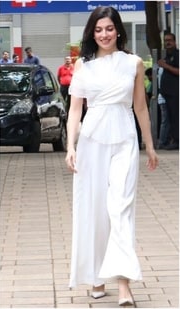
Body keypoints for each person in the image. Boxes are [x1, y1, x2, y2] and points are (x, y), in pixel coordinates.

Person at [65, 6, 158, 306]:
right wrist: (70, 147)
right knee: (93, 209)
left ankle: (123, 284)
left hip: (124, 140)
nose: (104, 34)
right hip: (92, 141)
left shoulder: (133, 63)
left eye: (109, 28)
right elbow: (75, 110)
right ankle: (95, 275)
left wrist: (150, 145)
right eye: (98, 30)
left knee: (120, 208)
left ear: (118, 29)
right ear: (92, 33)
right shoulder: (83, 66)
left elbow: (140, 107)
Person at [158, 31, 179, 150]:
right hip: (166, 94)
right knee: (169, 118)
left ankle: (177, 140)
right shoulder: (166, 55)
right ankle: (171, 140)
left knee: (175, 117)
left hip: (175, 93)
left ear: (174, 41)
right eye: (166, 41)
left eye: (170, 40)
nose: (167, 43)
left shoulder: (177, 55)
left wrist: (166, 66)